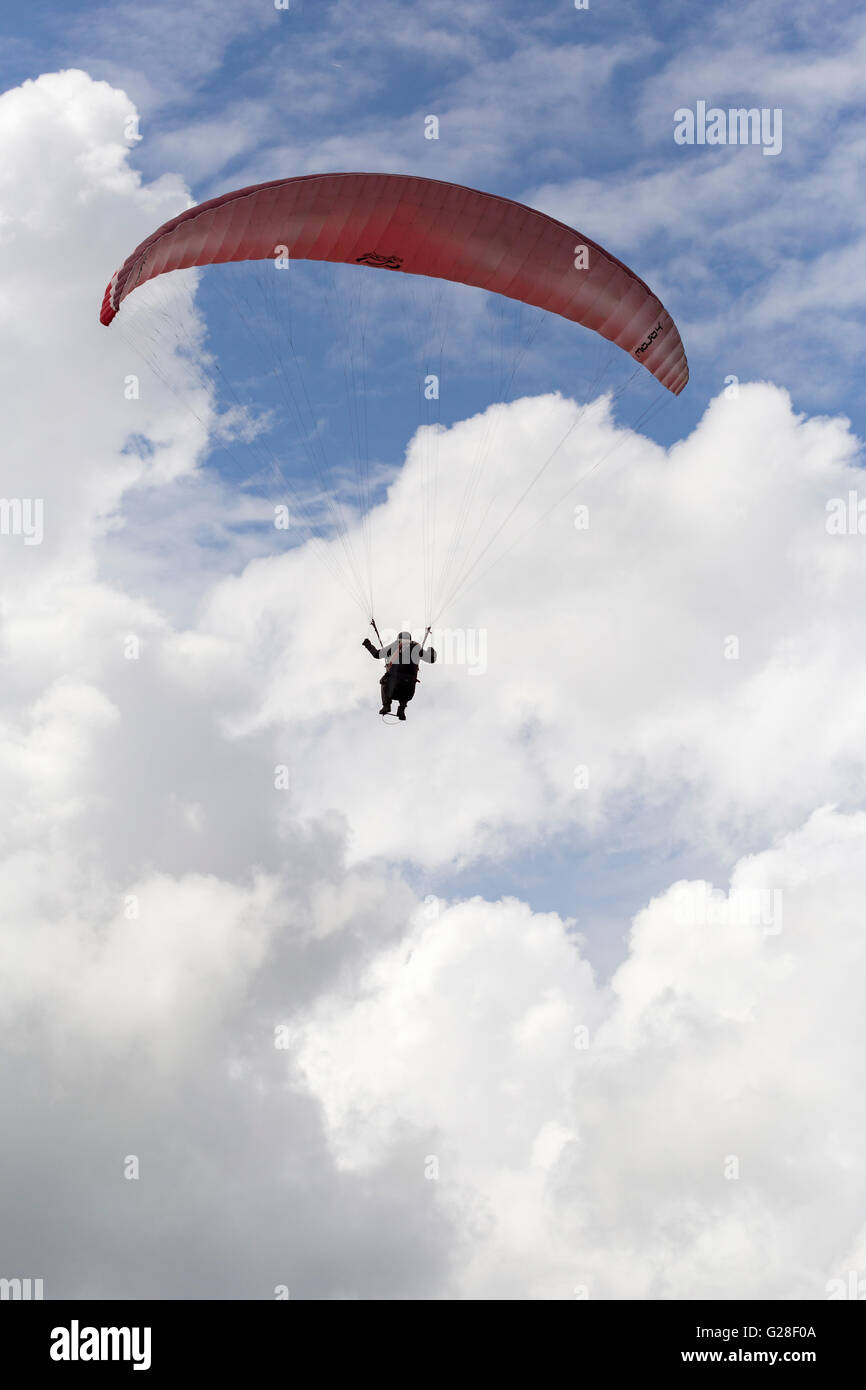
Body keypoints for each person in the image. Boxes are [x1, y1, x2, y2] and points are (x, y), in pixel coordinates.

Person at [362, 630, 436, 720]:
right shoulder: (417, 647)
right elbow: (431, 659)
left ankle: (386, 705)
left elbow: (377, 654)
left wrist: (367, 644)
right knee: (407, 684)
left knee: (383, 681)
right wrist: (431, 650)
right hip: (409, 689)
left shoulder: (397, 644)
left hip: (394, 684)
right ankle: (401, 709)